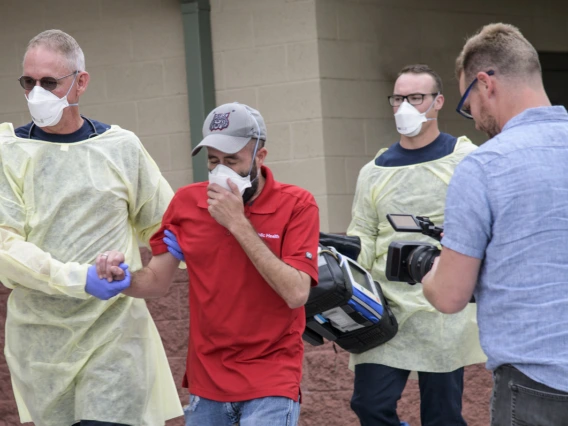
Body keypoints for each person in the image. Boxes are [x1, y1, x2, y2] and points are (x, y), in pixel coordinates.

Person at [93, 102, 320, 426]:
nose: (220, 170)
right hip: (208, 382)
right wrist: (120, 278)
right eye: (213, 161)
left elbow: (296, 293)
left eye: (232, 161)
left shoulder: (297, 204)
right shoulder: (186, 203)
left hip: (272, 377)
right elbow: (157, 281)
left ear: (260, 156)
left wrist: (237, 224)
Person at [0, 29, 182, 426]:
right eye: (28, 82)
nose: (36, 94)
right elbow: (5, 247)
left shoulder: (120, 148)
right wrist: (79, 278)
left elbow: (172, 223)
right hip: (42, 343)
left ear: (80, 81)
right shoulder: (9, 153)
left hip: (113, 334)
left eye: (49, 82)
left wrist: (154, 276)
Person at [422, 23, 568, 426]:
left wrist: (427, 271)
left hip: (535, 384)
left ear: (485, 84)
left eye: (468, 105)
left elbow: (451, 296)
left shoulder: (485, 166)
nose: (473, 120)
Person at [346, 64, 486, 426]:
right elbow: (363, 231)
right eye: (398, 98)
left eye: (416, 97)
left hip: (442, 308)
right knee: (369, 405)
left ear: (438, 102)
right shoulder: (374, 170)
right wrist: (342, 277)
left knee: (442, 417)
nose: (405, 106)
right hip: (384, 307)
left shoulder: (465, 160)